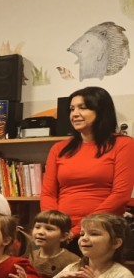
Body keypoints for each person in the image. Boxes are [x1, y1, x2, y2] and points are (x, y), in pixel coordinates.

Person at [40, 86, 134, 233]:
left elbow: (120, 195)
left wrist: (80, 229)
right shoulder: (59, 148)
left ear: (101, 111)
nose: (75, 114)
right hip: (62, 230)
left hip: (102, 229)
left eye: (82, 108)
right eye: (72, 109)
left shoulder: (124, 144)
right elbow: (48, 194)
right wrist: (53, 225)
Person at [30, 209, 80, 278]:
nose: (40, 232)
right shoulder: (31, 256)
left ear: (63, 236)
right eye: (37, 227)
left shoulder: (73, 261)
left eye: (49, 229)